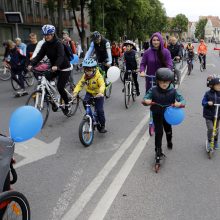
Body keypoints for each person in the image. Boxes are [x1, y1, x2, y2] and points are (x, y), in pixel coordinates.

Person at [143, 68, 186, 164]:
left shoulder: (173, 91)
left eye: (167, 81)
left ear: (170, 81)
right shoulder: (153, 90)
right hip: (157, 114)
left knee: (168, 130)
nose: (164, 83)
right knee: (159, 133)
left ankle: (169, 140)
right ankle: (158, 151)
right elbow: (145, 99)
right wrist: (146, 101)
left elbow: (183, 100)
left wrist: (180, 103)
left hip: (168, 115)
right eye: (162, 81)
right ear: (158, 81)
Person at [28, 24, 72, 116]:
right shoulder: (45, 45)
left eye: (48, 34)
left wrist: (56, 65)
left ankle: (67, 105)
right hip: (53, 67)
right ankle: (52, 100)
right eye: (44, 35)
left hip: (64, 67)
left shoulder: (58, 43)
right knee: (44, 78)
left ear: (52, 34)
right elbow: (39, 56)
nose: (46, 36)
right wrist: (31, 64)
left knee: (60, 87)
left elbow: (61, 56)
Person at [73, 58, 107, 133]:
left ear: (94, 69)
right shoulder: (85, 76)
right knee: (85, 102)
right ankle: (89, 116)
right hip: (89, 93)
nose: (88, 72)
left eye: (90, 70)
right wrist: (75, 92)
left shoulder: (98, 76)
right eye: (86, 70)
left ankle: (102, 125)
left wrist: (101, 92)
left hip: (98, 94)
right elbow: (80, 84)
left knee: (100, 110)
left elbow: (102, 85)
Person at [202, 76, 220, 149]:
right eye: (218, 85)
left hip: (218, 115)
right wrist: (207, 103)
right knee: (211, 128)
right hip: (209, 115)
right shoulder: (208, 93)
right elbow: (203, 102)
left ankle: (215, 141)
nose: (219, 86)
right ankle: (209, 141)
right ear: (212, 86)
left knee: (216, 130)